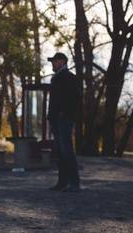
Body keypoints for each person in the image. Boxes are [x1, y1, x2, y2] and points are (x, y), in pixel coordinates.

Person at [47, 52, 81, 192]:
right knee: (61, 152)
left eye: (54, 61)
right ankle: (63, 182)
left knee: (66, 151)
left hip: (64, 119)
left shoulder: (68, 78)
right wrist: (51, 116)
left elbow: (74, 99)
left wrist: (64, 114)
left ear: (62, 62)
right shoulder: (57, 78)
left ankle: (73, 183)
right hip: (57, 119)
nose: (52, 64)